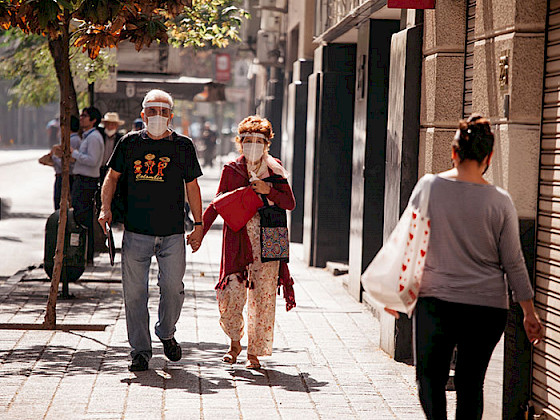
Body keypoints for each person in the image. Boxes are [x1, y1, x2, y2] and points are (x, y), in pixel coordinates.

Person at [387, 115, 544, 419]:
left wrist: (398, 293)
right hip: (487, 309)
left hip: (435, 303)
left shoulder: (429, 186)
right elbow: (513, 261)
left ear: (454, 152)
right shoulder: (500, 202)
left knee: (429, 380)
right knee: (471, 384)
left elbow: (408, 241)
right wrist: (529, 312)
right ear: (489, 157)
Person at [98, 89, 203, 372]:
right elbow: (112, 177)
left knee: (172, 289)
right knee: (134, 295)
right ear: (143, 115)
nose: (158, 116)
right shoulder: (128, 143)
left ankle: (166, 333)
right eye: (152, 111)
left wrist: (200, 225)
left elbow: (192, 187)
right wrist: (104, 208)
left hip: (172, 234)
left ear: (172, 115)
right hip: (136, 232)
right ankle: (140, 351)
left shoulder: (183, 146)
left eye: (164, 111)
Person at [200, 115, 296, 369]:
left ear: (267, 144)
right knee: (232, 292)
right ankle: (234, 343)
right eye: (248, 140)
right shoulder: (231, 169)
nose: (253, 145)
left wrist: (269, 191)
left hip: (269, 241)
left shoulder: (275, 170)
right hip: (238, 239)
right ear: (240, 143)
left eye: (258, 141)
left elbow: (290, 203)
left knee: (263, 297)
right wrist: (200, 230)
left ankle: (253, 352)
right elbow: (217, 202)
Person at [57, 107, 104, 265]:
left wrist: (74, 154)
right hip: (82, 180)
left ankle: (86, 254)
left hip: (87, 182)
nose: (82, 118)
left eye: (85, 116)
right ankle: (80, 252)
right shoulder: (87, 137)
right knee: (79, 216)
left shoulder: (94, 138)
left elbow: (93, 160)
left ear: (93, 120)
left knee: (83, 218)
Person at [50, 115, 82, 210]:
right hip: (66, 176)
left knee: (61, 205)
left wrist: (53, 157)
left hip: (66, 176)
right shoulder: (73, 139)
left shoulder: (71, 140)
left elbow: (66, 161)